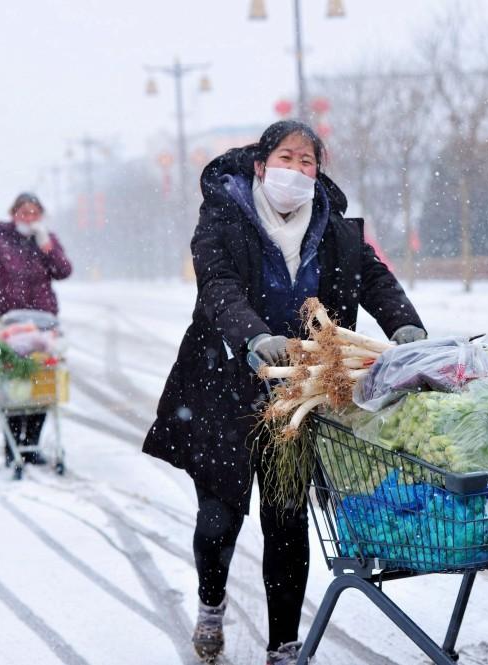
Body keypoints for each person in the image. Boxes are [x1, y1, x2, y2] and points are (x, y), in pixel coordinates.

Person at [142, 121, 426, 665]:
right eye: (287, 158)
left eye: (308, 162)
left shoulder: (335, 229)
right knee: (218, 520)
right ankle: (210, 601)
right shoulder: (223, 217)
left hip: (298, 395)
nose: (297, 171)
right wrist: (254, 334)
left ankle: (284, 646)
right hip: (223, 387)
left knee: (287, 520)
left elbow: (377, 281)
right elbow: (218, 286)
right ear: (260, 164)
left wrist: (406, 328)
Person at [0, 192, 72, 465]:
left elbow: (64, 271)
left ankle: (31, 445)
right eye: (23, 213)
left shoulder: (46, 240)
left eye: (34, 213)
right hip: (8, 325)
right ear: (13, 213)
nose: (29, 218)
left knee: (41, 384)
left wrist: (47, 245)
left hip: (43, 324)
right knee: (13, 387)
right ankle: (13, 445)